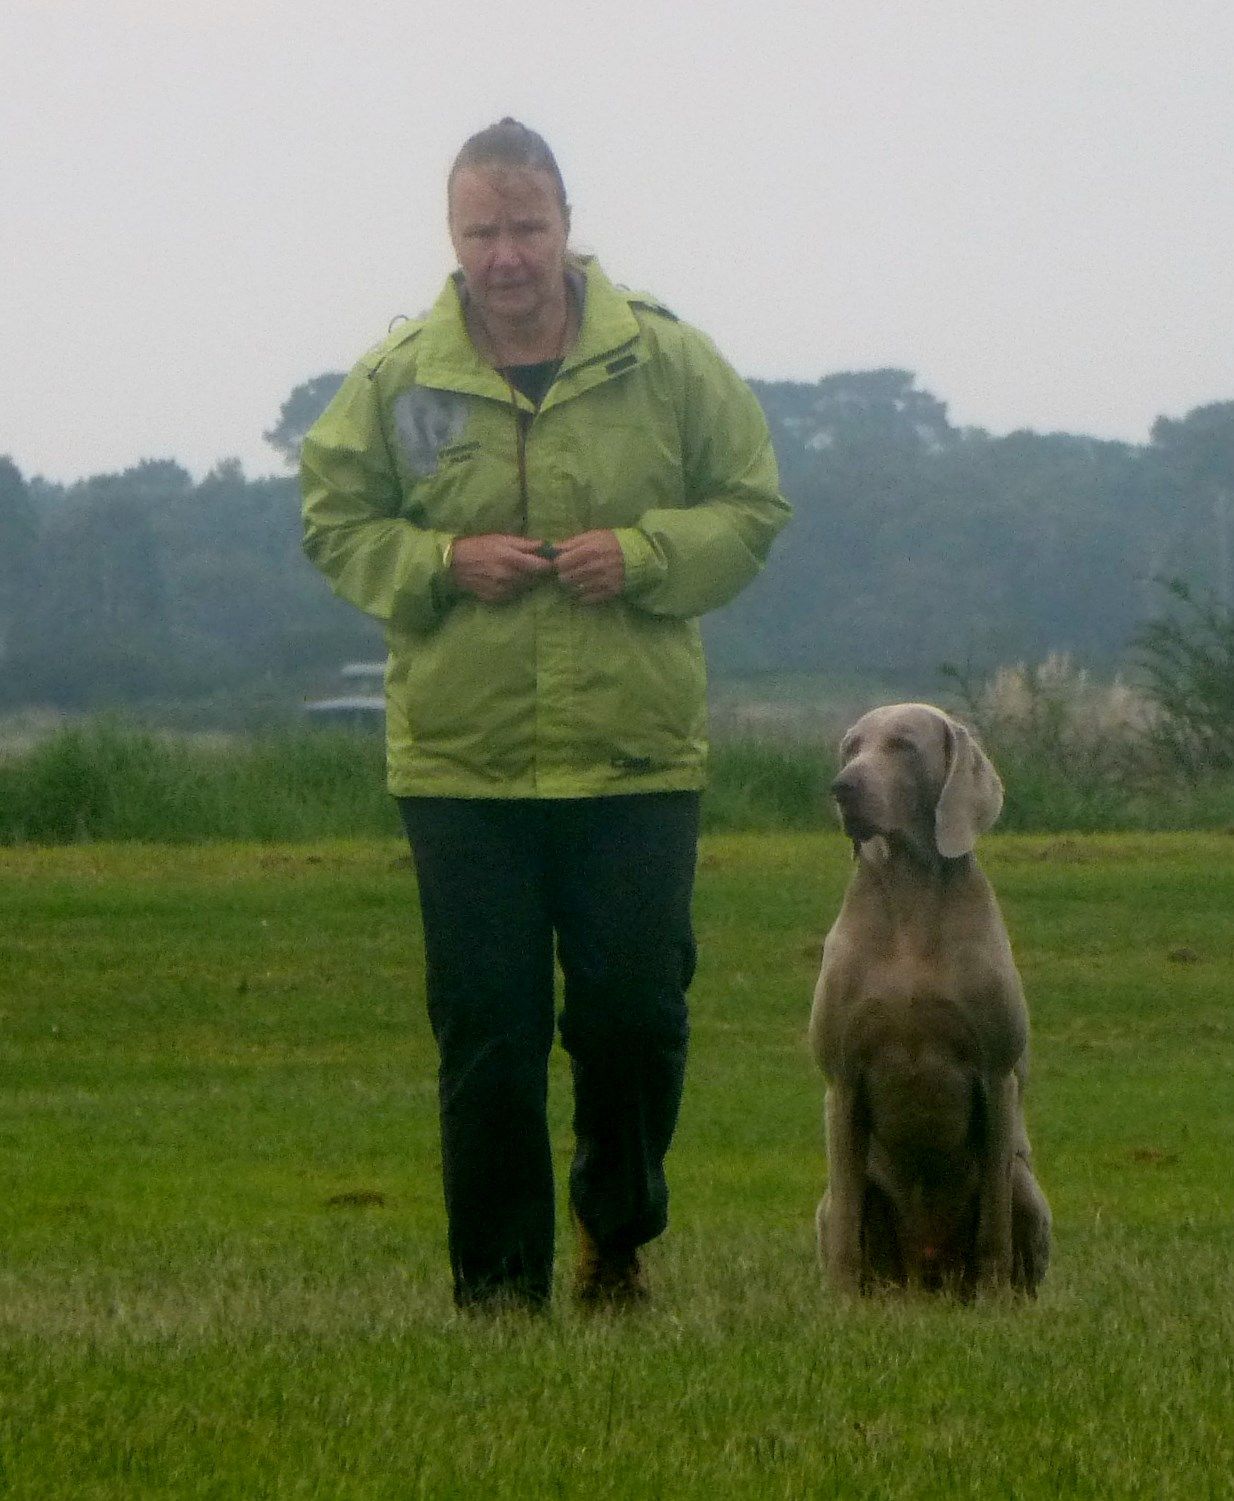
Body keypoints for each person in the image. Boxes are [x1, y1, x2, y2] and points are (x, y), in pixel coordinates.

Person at [301, 118, 790, 1313]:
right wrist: (438, 563)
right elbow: (336, 521)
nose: (505, 254)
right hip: (461, 767)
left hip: (634, 762)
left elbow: (751, 508)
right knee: (488, 1034)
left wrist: (644, 554)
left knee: (634, 1019)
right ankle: (498, 1293)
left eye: (526, 226)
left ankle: (613, 1239)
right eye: (481, 231)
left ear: (568, 225)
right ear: (451, 234)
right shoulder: (398, 378)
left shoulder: (669, 362)